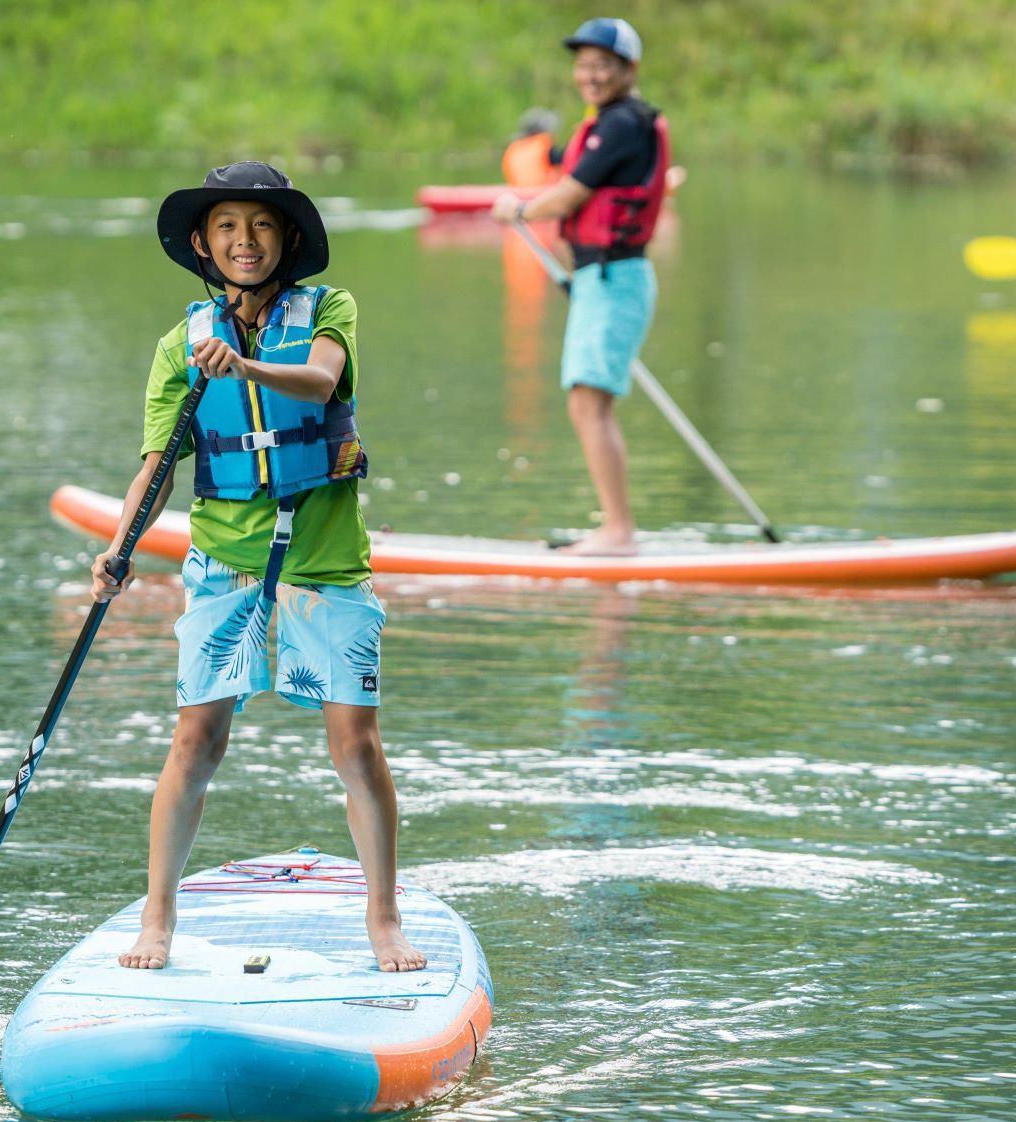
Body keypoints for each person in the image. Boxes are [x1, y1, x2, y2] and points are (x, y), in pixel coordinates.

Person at [93, 161, 425, 974]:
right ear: (204, 243)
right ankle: (157, 915)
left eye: (263, 225)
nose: (246, 241)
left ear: (287, 239)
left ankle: (383, 917)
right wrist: (118, 545)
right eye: (229, 227)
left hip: (327, 561)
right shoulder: (179, 344)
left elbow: (317, 383)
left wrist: (242, 368)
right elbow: (157, 464)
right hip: (225, 561)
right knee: (196, 740)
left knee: (356, 747)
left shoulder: (329, 310)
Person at [491, 17, 670, 556]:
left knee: (589, 403)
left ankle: (618, 532)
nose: (590, 75)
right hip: (601, 279)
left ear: (629, 69)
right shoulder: (605, 123)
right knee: (586, 403)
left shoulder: (622, 123)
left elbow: (567, 196)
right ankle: (615, 528)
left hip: (616, 279)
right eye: (584, 65)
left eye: (602, 65)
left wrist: (518, 208)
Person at [502, 108, 563, 188]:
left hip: (520, 194)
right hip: (544, 194)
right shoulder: (545, 148)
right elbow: (568, 158)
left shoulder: (513, 149)